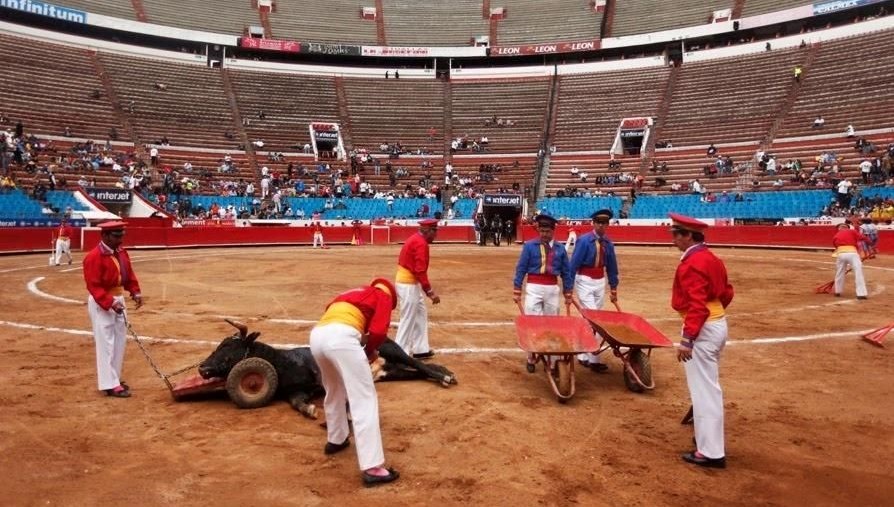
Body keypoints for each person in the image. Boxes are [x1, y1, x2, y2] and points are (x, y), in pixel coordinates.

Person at [309, 278, 400, 487]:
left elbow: (329, 310)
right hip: (342, 337)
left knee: (333, 390)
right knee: (364, 398)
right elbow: (378, 331)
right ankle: (373, 467)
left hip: (317, 335)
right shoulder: (383, 295)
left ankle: (336, 439)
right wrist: (369, 351)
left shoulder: (351, 293)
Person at [668, 213, 733, 469]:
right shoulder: (711, 258)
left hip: (703, 328)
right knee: (709, 387)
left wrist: (687, 339)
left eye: (676, 234)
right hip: (717, 323)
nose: (673, 239)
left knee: (705, 391)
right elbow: (726, 292)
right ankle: (707, 441)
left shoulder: (692, 264)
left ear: (688, 236)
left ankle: (710, 451)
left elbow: (698, 306)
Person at [82, 221, 143, 398]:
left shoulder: (121, 253)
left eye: (122, 235)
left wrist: (135, 291)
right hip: (103, 303)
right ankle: (109, 383)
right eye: (117, 236)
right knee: (106, 343)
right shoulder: (93, 257)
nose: (120, 239)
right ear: (105, 236)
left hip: (118, 299)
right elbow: (93, 286)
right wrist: (109, 303)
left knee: (118, 342)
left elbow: (128, 274)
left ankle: (114, 379)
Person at [513, 214, 574, 372]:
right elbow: (521, 268)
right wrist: (517, 289)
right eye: (541, 230)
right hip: (533, 286)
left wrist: (568, 292)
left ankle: (553, 360)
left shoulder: (560, 249)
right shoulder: (529, 246)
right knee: (533, 322)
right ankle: (532, 354)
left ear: (553, 231)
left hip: (552, 288)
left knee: (552, 324)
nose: (544, 234)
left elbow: (566, 272)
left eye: (547, 231)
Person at [570, 210, 620, 372]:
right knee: (594, 318)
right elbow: (574, 264)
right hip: (584, 280)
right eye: (598, 222)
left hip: (600, 282)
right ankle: (593, 358)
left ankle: (583, 355)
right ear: (593, 223)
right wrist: (569, 287)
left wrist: (613, 287)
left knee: (590, 317)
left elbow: (612, 267)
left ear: (607, 224)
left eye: (604, 223)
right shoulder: (584, 241)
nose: (601, 225)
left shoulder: (608, 244)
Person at [394, 219, 440, 358]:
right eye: (434, 231)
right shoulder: (421, 244)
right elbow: (420, 271)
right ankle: (399, 353)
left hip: (409, 282)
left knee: (420, 314)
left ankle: (421, 349)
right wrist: (430, 292)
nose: (436, 235)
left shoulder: (416, 239)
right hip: (408, 284)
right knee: (408, 318)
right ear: (428, 231)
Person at [832, 222, 868, 299]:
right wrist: (872, 245)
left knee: (839, 272)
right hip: (852, 253)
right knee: (858, 272)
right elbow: (863, 238)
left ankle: (837, 291)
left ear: (839, 229)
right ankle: (861, 294)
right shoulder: (852, 231)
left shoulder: (836, 235)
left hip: (841, 254)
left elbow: (835, 246)